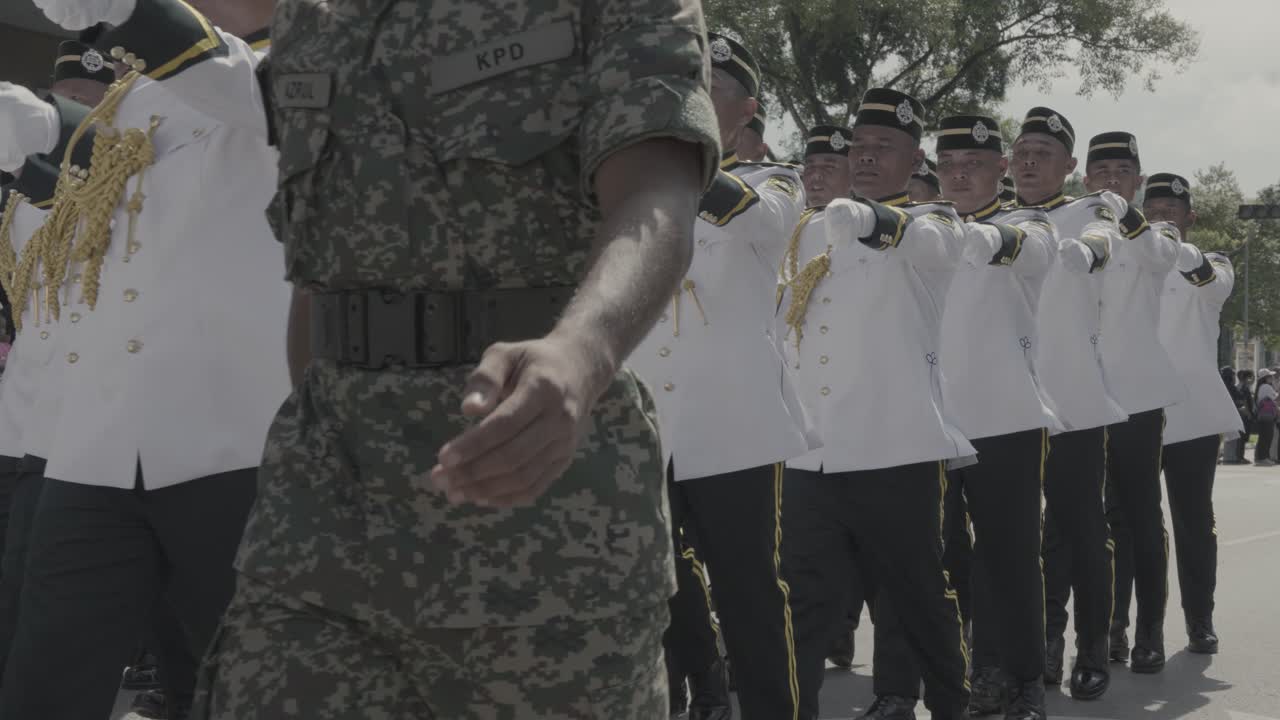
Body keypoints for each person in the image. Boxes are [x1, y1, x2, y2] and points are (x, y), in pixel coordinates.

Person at [192, 0, 722, 716]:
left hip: (544, 527)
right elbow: (323, 270)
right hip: (317, 528)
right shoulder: (315, 16)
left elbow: (658, 192)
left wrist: (581, 352)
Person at [1, 1, 289, 718]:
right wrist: (37, 123)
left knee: (239, 685)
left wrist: (137, 12)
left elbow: (244, 90)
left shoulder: (303, 61)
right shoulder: (141, 94)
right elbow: (86, 166)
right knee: (44, 683)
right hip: (96, 448)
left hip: (233, 444)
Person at [779, 87, 977, 720]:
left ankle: (951, 706)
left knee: (918, 599)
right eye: (858, 148)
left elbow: (932, 245)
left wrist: (869, 219)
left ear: (913, 156)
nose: (865, 158)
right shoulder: (809, 228)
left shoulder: (936, 222)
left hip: (897, 450)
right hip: (815, 452)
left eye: (882, 148)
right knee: (802, 607)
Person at [629, 32, 811, 720]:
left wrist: (672, 156)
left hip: (731, 424)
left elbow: (758, 222)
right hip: (644, 415)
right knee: (656, 583)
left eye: (711, 88)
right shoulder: (635, 180)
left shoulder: (775, 183)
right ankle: (701, 690)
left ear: (748, 111)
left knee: (750, 593)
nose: (693, 99)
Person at [933, 114, 1058, 720]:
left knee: (1009, 555)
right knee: (942, 557)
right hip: (929, 419)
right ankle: (972, 671)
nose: (960, 173)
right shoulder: (914, 228)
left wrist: (964, 234)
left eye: (975, 164)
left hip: (1004, 416)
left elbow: (1024, 249)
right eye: (950, 163)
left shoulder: (1027, 224)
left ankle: (1026, 678)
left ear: (1000, 169)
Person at [0, 35, 106, 683]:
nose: (77, 114)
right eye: (66, 100)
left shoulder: (127, 180)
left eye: (91, 103)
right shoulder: (16, 186)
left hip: (92, 431)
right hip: (21, 425)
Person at [1012, 107, 1126, 701]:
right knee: (1016, 539)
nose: (1029, 161)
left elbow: (1107, 232)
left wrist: (1088, 251)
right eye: (1022, 151)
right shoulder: (995, 219)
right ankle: (1041, 643)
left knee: (1080, 528)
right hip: (1007, 400)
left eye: (1044, 153)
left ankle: (1092, 648)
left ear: (1071, 167)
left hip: (1074, 398)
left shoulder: (1090, 210)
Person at [1082, 131, 1182, 674]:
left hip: (1136, 398)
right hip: (1079, 391)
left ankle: (1148, 631)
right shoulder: (1071, 222)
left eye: (1123, 171)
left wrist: (1125, 215)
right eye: (1103, 172)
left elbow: (1163, 254)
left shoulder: (1154, 232)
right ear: (1085, 177)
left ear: (1139, 181)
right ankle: (1103, 631)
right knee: (1087, 523)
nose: (1112, 180)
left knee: (1140, 516)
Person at [1147, 172, 1242, 656]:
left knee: (1192, 521)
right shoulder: (1129, 267)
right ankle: (1133, 632)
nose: (1161, 219)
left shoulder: (1211, 263)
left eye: (1170, 213)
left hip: (1190, 416)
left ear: (1189, 217)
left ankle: (1199, 620)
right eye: (1153, 211)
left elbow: (1213, 282)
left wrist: (1168, 245)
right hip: (1135, 411)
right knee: (1131, 525)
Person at [796, 123, 867, 672]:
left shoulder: (874, 229)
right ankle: (828, 633)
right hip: (804, 409)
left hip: (863, 403)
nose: (816, 177)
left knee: (869, 545)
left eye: (829, 168)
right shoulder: (792, 229)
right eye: (810, 167)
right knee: (810, 547)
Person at [1254, 371, 1277, 466]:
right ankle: (1263, 458)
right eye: (1270, 376)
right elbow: (1274, 398)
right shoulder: (1266, 387)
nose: (1272, 377)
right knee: (1267, 436)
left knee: (1263, 436)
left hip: (1262, 415)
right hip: (1267, 415)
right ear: (1265, 378)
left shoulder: (1260, 387)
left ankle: (1261, 457)